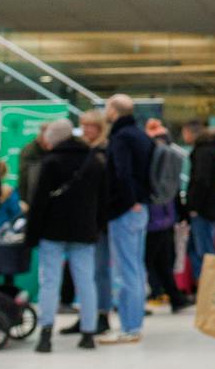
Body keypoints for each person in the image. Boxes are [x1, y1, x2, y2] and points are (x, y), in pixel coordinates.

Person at [22, 119, 104, 353]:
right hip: (84, 230)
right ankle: (89, 333)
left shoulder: (50, 163)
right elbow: (103, 198)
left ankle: (45, 334)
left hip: (52, 231)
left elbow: (38, 203)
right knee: (86, 282)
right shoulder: (93, 162)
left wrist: (32, 235)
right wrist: (97, 226)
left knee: (50, 282)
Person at [100, 94, 154, 346]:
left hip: (125, 210)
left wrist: (127, 200)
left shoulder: (120, 137)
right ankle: (135, 324)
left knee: (125, 270)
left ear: (113, 111)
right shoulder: (141, 134)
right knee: (136, 267)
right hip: (141, 207)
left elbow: (122, 173)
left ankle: (130, 326)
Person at [63, 108, 114, 337]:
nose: (85, 130)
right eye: (83, 126)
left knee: (99, 269)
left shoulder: (104, 152)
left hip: (98, 219)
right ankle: (87, 314)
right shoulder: (84, 151)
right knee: (84, 271)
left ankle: (101, 313)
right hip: (83, 218)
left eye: (90, 126)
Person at [143, 119, 186, 311]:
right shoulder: (172, 159)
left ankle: (159, 294)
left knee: (148, 259)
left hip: (154, 216)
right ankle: (174, 297)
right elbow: (174, 191)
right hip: (164, 216)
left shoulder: (153, 160)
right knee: (161, 259)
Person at [182, 119, 215, 281]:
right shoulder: (214, 151)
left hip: (203, 209)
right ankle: (204, 286)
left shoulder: (203, 152)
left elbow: (200, 180)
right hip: (212, 207)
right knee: (198, 248)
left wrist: (193, 206)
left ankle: (207, 288)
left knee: (203, 250)